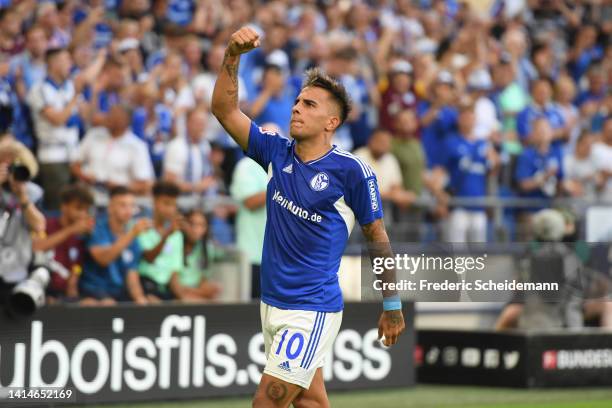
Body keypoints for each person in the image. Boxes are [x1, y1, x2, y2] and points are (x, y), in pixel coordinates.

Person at [211, 27, 405, 408]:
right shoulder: (275, 153)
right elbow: (224, 110)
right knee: (310, 401)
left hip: (311, 307)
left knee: (267, 402)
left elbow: (376, 236)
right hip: (272, 302)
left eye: (310, 104)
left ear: (331, 123)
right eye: (297, 101)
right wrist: (232, 55)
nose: (297, 107)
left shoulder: (352, 172)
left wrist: (392, 305)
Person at [27, 47, 81, 210]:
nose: (70, 64)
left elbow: (84, 115)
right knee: (57, 207)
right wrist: (75, 98)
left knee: (76, 204)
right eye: (66, 60)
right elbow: (57, 119)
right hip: (52, 155)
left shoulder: (69, 86)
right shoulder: (40, 89)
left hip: (73, 153)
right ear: (54, 63)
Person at [79, 186, 152, 306]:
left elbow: (132, 274)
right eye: (123, 205)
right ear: (110, 208)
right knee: (107, 303)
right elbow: (104, 259)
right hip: (93, 290)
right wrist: (132, 233)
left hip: (118, 294)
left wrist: (140, 299)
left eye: (131, 205)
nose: (128, 210)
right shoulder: (97, 229)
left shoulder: (133, 238)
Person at [72, 104, 155, 204]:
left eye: (115, 115)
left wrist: (118, 185)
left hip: (117, 199)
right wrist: (84, 176)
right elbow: (75, 164)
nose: (109, 117)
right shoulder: (93, 135)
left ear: (127, 121)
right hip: (88, 195)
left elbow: (144, 184)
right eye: (109, 113)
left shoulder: (137, 147)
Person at [443, 102, 499, 243]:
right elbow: (441, 170)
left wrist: (494, 158)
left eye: (471, 117)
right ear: (459, 119)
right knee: (457, 252)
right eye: (465, 116)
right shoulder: (451, 142)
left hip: (479, 204)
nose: (468, 120)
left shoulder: (483, 144)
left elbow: (492, 172)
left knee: (479, 254)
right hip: (458, 204)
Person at [0, 136, 45, 307]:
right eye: (6, 165)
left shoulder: (33, 192)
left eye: (16, 166)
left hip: (16, 268)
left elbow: (39, 226)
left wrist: (23, 197)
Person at [32, 184, 95, 302]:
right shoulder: (46, 224)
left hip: (64, 293)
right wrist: (71, 230)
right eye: (78, 208)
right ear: (64, 207)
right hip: (42, 288)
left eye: (86, 210)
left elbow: (77, 266)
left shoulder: (81, 236)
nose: (83, 214)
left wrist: (74, 281)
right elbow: (37, 247)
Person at [230, 149, 267, 299]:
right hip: (253, 254)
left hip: (281, 257)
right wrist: (280, 183)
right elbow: (250, 202)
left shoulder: (288, 167)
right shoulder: (246, 166)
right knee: (254, 311)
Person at [137, 180, 183, 301]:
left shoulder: (177, 234)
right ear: (154, 202)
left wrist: (181, 298)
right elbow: (149, 257)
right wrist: (166, 236)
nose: (170, 209)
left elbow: (174, 272)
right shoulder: (142, 227)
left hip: (166, 289)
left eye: (173, 205)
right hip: (145, 285)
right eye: (166, 203)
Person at [170, 209, 221, 302]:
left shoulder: (207, 249)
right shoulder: (175, 242)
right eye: (193, 224)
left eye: (202, 225)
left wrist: (204, 291)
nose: (198, 230)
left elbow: (203, 281)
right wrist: (202, 293)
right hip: (174, 295)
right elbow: (175, 287)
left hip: (193, 293)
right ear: (184, 225)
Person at [163, 107, 216, 196]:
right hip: (180, 201)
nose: (201, 127)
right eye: (197, 123)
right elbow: (169, 182)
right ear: (187, 123)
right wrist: (196, 187)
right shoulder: (176, 146)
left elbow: (208, 176)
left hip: (201, 202)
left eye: (203, 123)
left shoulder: (205, 146)